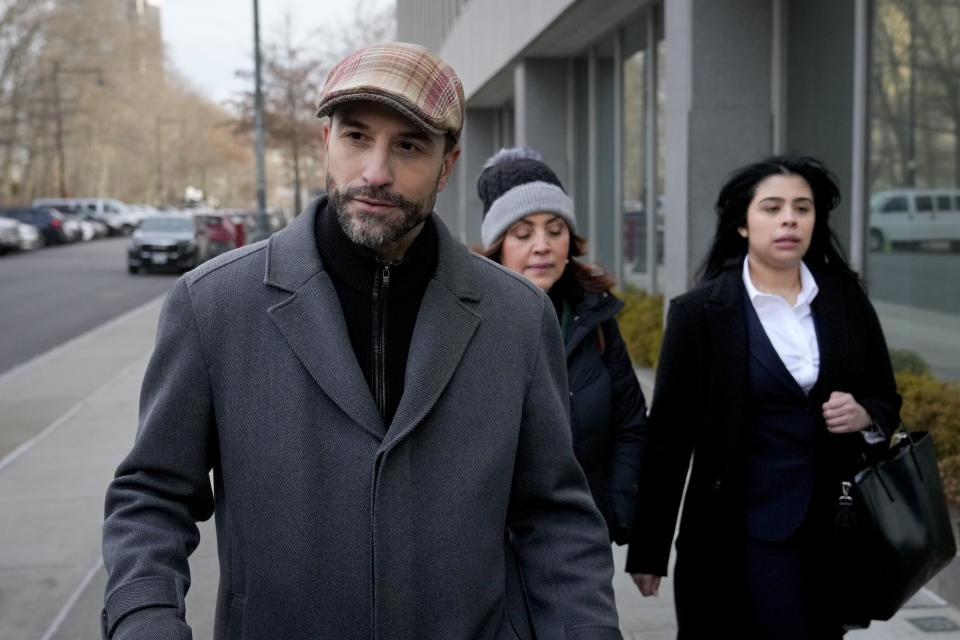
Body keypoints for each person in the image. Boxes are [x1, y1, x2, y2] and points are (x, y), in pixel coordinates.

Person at [101, 42, 622, 640]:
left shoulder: (517, 316)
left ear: (446, 165)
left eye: (408, 145)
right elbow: (150, 498)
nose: (377, 171)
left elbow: (554, 516)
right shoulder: (215, 304)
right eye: (356, 137)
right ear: (327, 141)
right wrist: (145, 621)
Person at [625, 155, 902, 638]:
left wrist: (865, 415)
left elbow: (883, 394)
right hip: (733, 528)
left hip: (830, 525)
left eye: (803, 208)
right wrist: (649, 550)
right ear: (741, 224)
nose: (790, 219)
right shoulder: (701, 313)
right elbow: (668, 439)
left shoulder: (844, 299)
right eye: (772, 208)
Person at [476, 148, 647, 544]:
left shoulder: (596, 319)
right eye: (523, 233)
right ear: (498, 243)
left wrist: (612, 511)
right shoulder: (469, 322)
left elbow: (631, 426)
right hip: (494, 551)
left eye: (555, 230)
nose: (543, 245)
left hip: (581, 541)